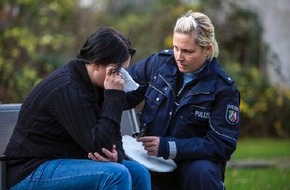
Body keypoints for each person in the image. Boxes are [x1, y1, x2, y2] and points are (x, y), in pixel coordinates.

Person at [4, 27, 151, 190]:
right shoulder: (68, 88)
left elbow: (112, 137)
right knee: (116, 175)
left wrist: (117, 156)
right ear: (96, 64)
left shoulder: (97, 85)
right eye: (117, 70)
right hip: (31, 170)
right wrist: (114, 97)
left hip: (65, 161)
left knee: (139, 173)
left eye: (124, 70)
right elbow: (99, 145)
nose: (121, 78)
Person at [125, 11, 240, 190]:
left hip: (193, 164)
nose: (179, 56)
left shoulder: (224, 89)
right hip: (149, 157)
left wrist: (169, 147)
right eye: (176, 48)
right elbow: (123, 92)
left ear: (207, 49)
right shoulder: (158, 64)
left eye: (187, 51)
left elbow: (221, 144)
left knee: (201, 172)